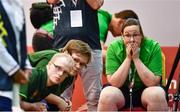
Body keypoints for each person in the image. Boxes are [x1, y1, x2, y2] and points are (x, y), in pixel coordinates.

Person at [97, 18, 168, 111]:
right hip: (122, 89)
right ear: (122, 36)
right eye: (127, 35)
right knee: (107, 95)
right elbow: (114, 83)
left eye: (135, 35)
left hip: (145, 89)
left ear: (141, 35)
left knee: (157, 94)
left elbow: (153, 82)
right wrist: (128, 58)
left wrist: (136, 58)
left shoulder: (153, 46)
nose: (132, 40)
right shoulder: (113, 47)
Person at [47, 0, 104, 110]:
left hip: (90, 47)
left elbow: (96, 4)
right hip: (63, 47)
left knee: (95, 96)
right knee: (61, 96)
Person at [28, 39, 92, 110]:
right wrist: (59, 101)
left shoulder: (69, 72)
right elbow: (35, 86)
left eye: (82, 64)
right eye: (75, 60)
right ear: (66, 53)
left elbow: (53, 92)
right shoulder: (52, 58)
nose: (78, 66)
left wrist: (62, 100)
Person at [0, 0, 31, 111]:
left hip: (11, 85)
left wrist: (26, 65)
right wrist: (14, 69)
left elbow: (20, 41)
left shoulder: (18, 4)